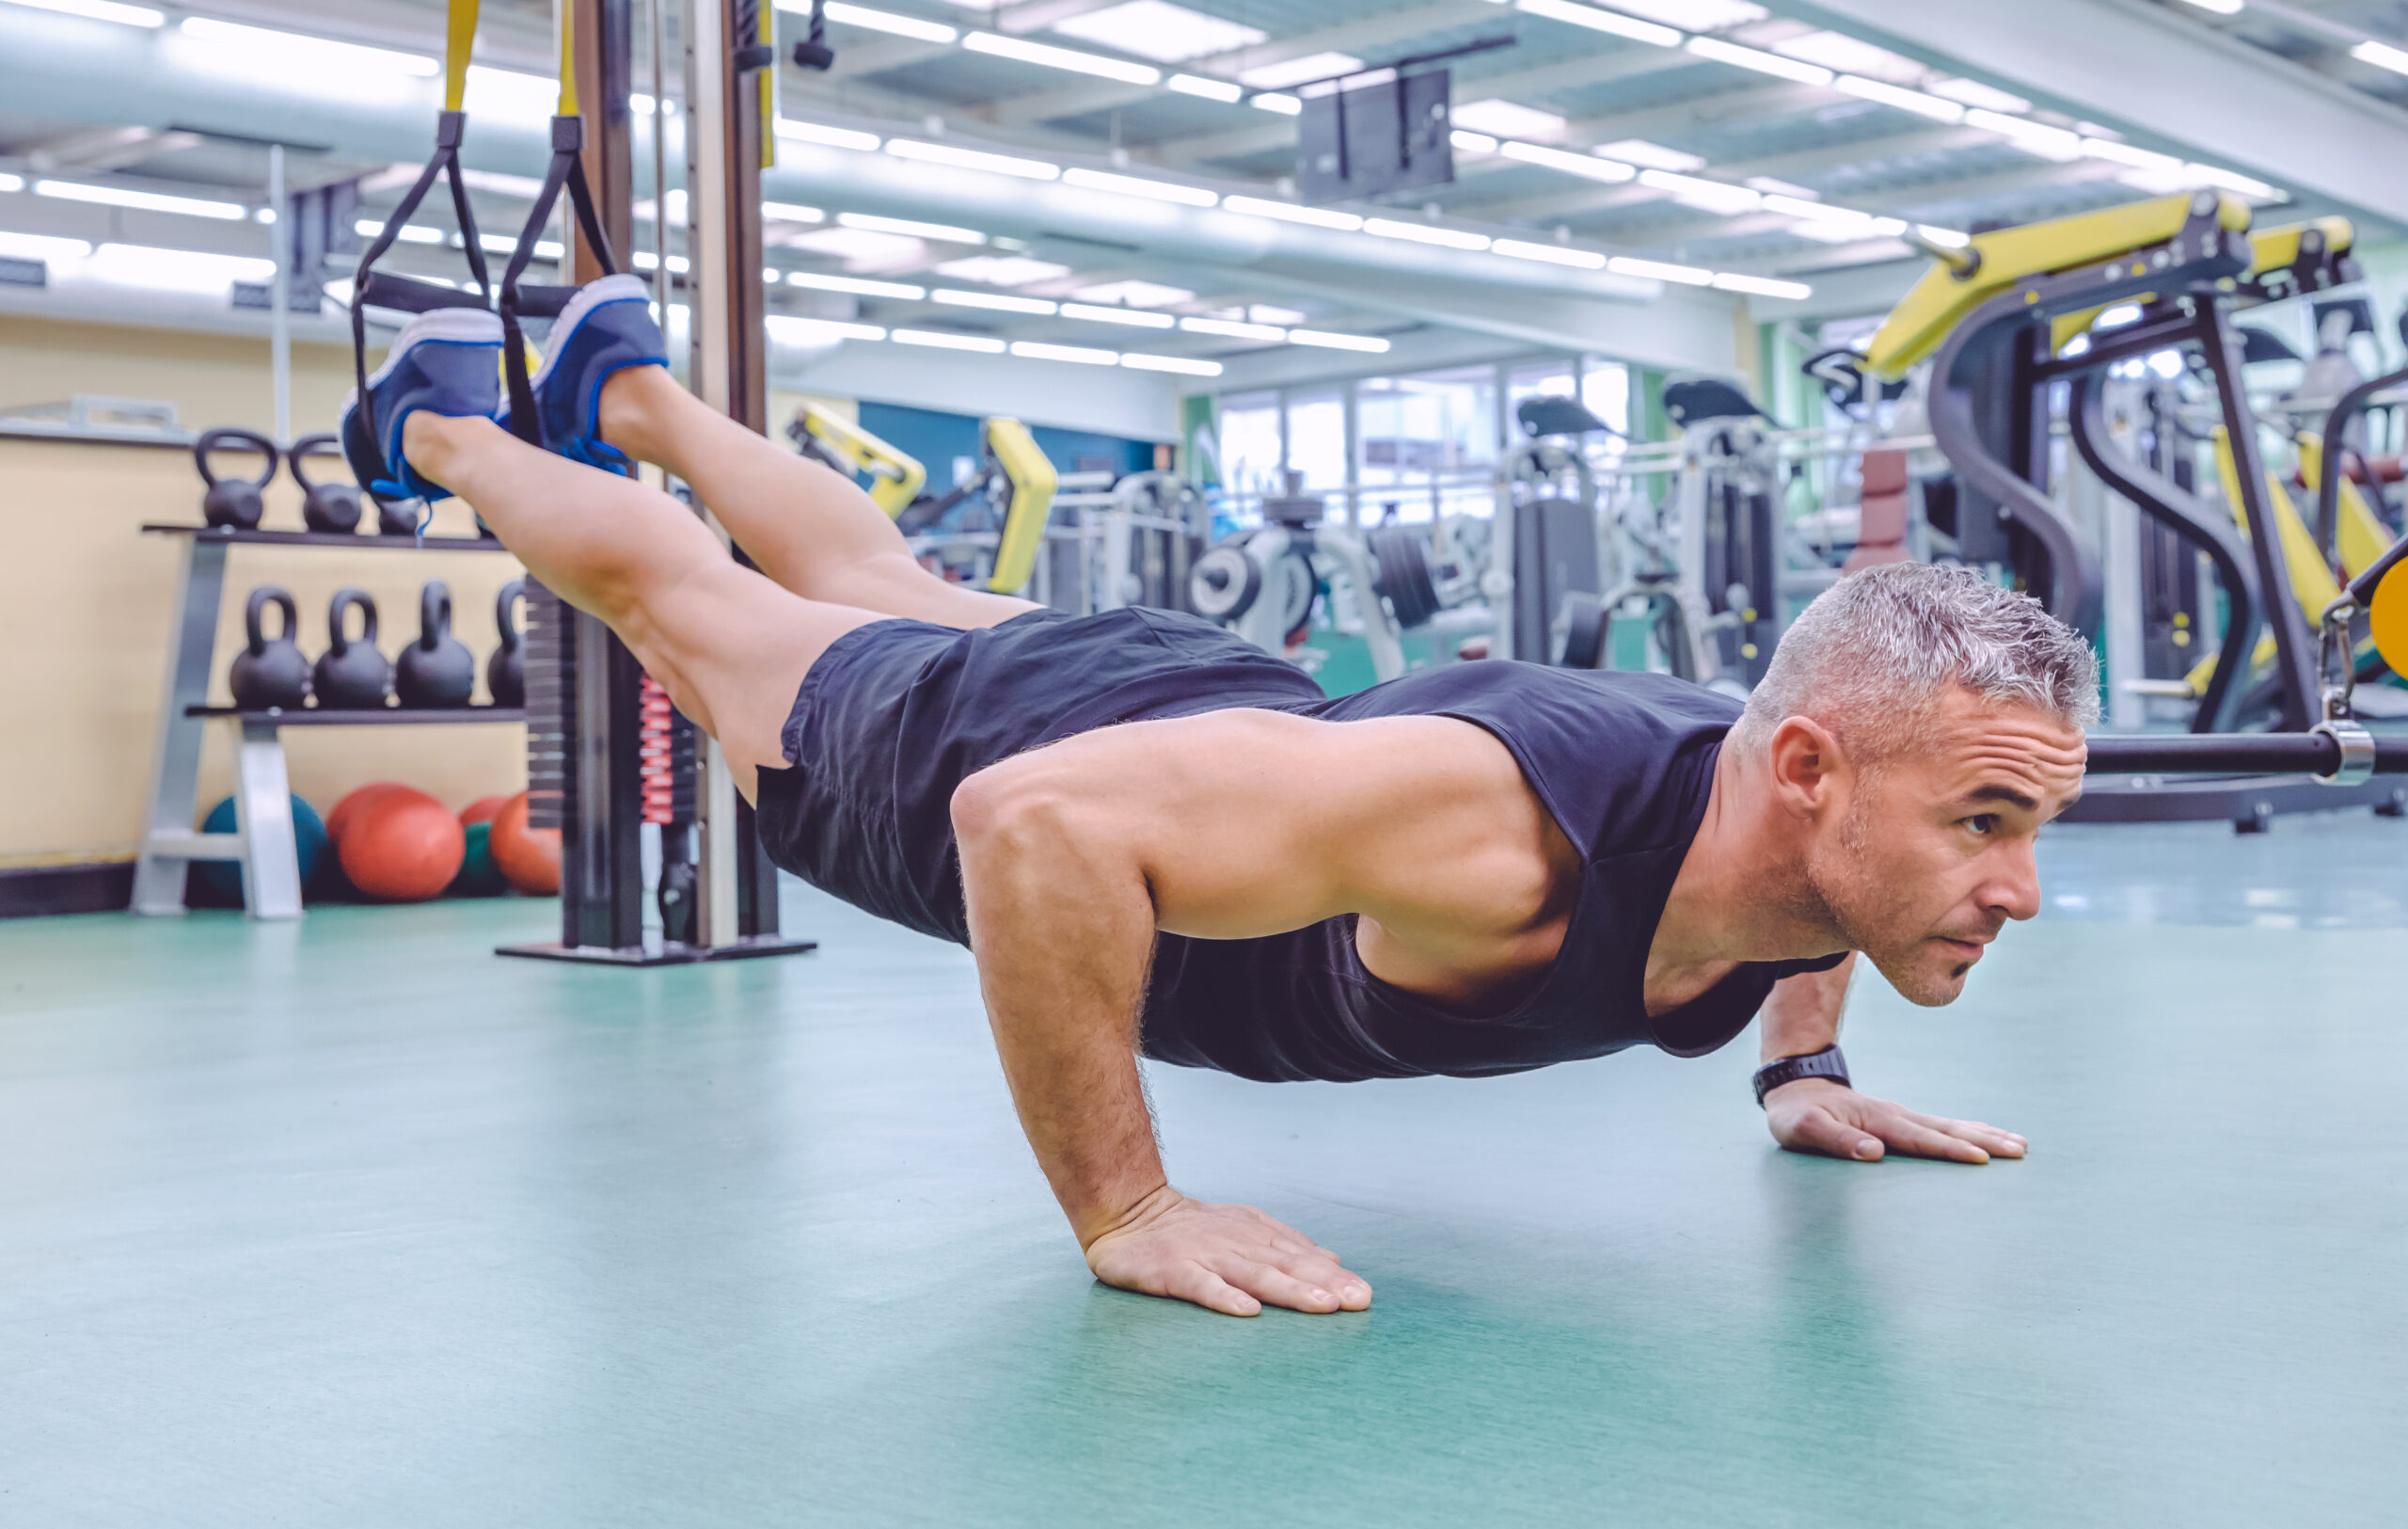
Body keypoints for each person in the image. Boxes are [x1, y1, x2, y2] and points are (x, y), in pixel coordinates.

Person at [343, 280, 2095, 1319]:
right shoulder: (1496, 833)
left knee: (870, 563)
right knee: (700, 614)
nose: (2012, 883)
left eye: (2018, 827)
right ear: (1811, 776)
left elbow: (1852, 823)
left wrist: (1804, 1064)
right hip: (1023, 756)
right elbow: (1035, 829)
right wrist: (1130, 1206)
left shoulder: (1808, 790)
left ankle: (632, 381)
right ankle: (442, 422)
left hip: (1216, 718)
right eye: (1985, 828)